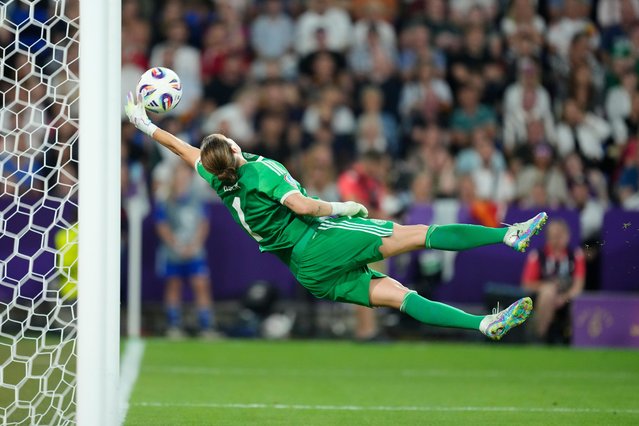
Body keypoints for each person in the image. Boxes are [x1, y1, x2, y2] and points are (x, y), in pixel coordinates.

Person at [126, 92, 548, 341]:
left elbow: (185, 151)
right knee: (418, 234)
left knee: (401, 296)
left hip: (306, 272)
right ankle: (506, 237)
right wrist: (345, 207)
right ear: (233, 148)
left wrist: (146, 126)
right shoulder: (259, 169)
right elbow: (302, 206)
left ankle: (484, 324)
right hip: (319, 238)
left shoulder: (217, 177)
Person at [154, 161, 217, 338]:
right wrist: (175, 244)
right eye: (178, 175)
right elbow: (161, 225)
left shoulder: (198, 197)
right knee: (174, 284)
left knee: (201, 284)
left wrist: (195, 245)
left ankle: (207, 326)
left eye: (184, 174)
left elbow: (204, 223)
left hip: (195, 250)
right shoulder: (165, 199)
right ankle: (174, 325)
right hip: (172, 251)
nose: (181, 178)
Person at [521, 220, 586, 343]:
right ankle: (540, 335)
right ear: (548, 238)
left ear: (567, 236)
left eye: (560, 236)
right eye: (554, 236)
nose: (557, 240)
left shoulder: (576, 255)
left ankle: (571, 340)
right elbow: (526, 284)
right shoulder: (537, 255)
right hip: (541, 297)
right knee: (548, 292)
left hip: (567, 298)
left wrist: (563, 298)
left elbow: (578, 286)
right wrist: (546, 287)